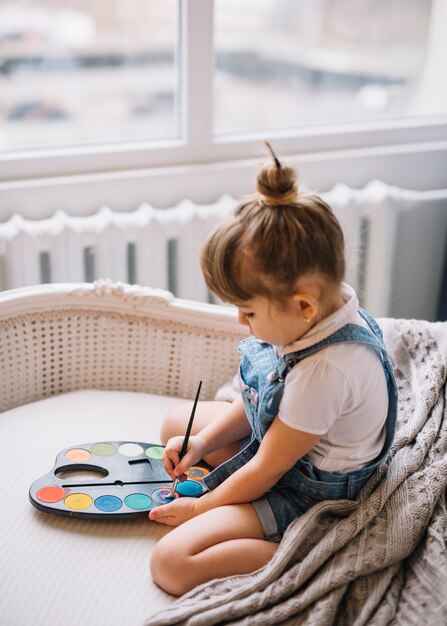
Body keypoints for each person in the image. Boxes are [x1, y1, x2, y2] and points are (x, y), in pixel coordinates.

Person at [149, 142, 398, 597]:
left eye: (247, 312)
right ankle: (215, 469)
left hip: (307, 491)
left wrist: (203, 507)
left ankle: (308, 547)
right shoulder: (322, 306)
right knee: (176, 426)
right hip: (289, 447)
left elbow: (266, 469)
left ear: (302, 305)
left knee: (172, 563)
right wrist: (203, 442)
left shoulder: (325, 371)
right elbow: (263, 400)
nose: (240, 323)